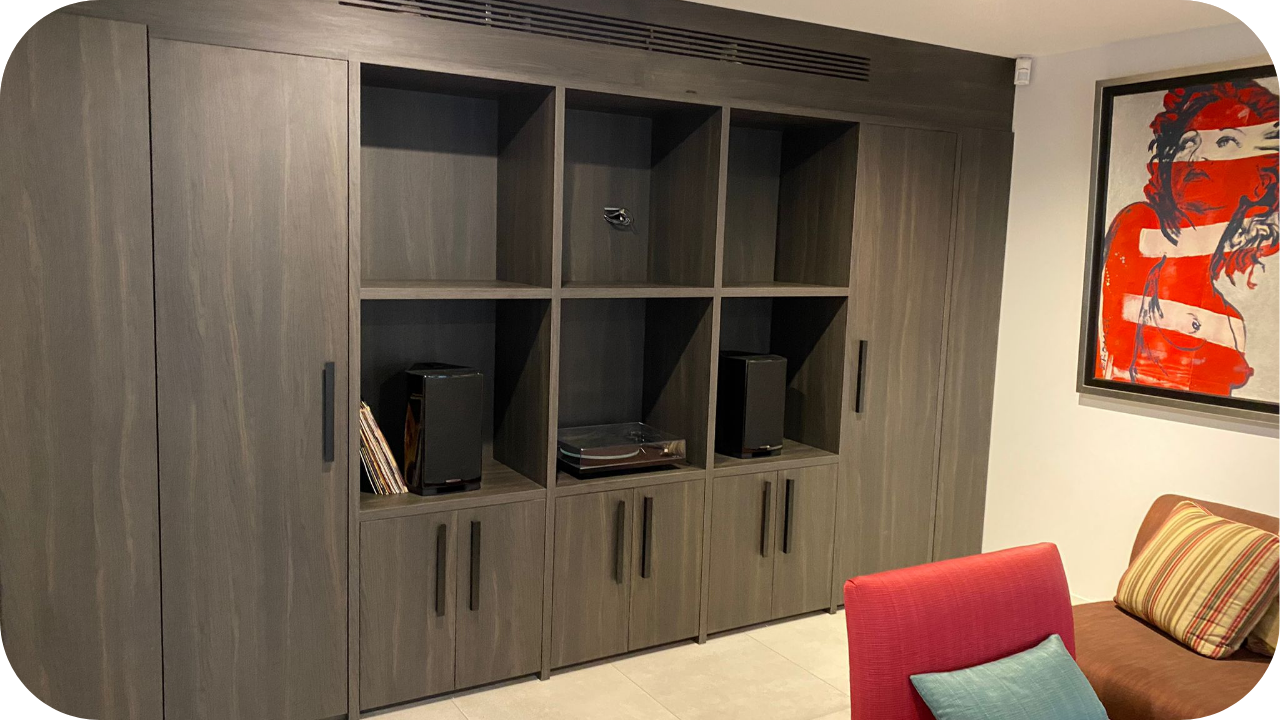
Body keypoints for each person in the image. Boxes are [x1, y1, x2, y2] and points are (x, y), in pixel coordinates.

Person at [1097, 80, 1280, 397]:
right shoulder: (1139, 226)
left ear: (1261, 180)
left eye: (1225, 142)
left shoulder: (1229, 325)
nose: (1198, 155)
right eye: (1185, 143)